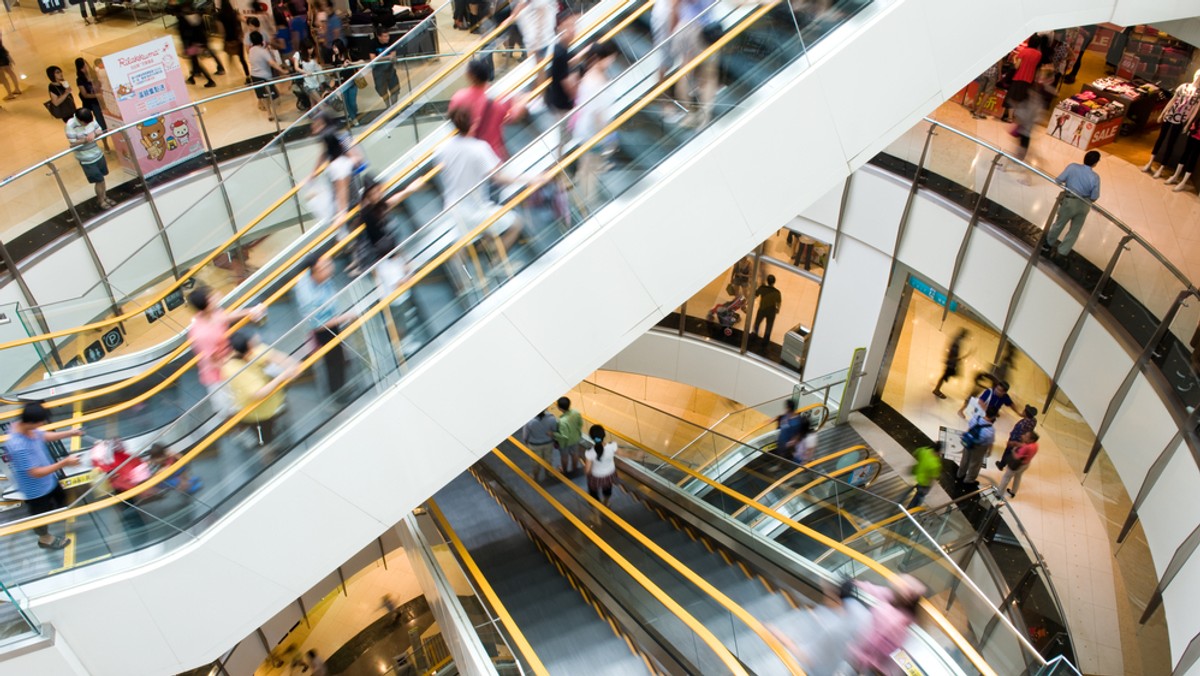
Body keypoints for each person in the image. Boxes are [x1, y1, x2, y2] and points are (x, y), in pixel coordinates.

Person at [432, 106, 528, 252]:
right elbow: (498, 177)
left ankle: (485, 256)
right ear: (474, 123)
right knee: (516, 223)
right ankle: (497, 260)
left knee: (466, 245)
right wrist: (528, 179)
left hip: (453, 208)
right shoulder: (478, 148)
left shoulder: (443, 148)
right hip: (475, 209)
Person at [7, 402, 84, 550]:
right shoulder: (18, 446)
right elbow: (34, 472)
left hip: (49, 480)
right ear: (31, 422)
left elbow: (42, 436)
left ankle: (63, 520)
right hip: (36, 490)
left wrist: (70, 433)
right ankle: (45, 539)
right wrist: (64, 463)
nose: (42, 424)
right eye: (40, 422)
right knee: (40, 515)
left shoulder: (24, 427)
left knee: (61, 498)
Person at [188, 285, 266, 414]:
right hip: (219, 376)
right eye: (211, 297)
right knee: (230, 409)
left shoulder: (211, 313)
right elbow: (213, 361)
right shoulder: (202, 334)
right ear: (206, 304)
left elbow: (225, 317)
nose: (216, 296)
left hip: (230, 360)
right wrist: (235, 369)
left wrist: (250, 311)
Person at [222, 330, 299, 447]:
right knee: (266, 439)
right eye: (253, 345)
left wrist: (292, 366)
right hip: (257, 412)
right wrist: (282, 376)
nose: (256, 347)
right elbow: (258, 394)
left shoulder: (252, 349)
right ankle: (269, 453)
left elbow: (277, 357)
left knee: (280, 427)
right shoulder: (232, 369)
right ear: (247, 350)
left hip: (275, 401)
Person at [295, 253, 355, 396]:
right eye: (325, 267)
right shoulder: (308, 295)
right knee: (333, 361)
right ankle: (338, 393)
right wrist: (343, 318)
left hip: (332, 319)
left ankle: (341, 386)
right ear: (315, 271)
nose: (331, 268)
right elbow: (317, 325)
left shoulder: (323, 279)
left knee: (338, 355)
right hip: (323, 329)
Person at [571, 40, 619, 206]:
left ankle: (584, 198)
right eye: (610, 57)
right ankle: (589, 199)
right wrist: (606, 135)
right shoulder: (595, 81)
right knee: (591, 166)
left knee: (587, 165)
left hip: (586, 128)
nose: (612, 61)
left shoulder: (590, 74)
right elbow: (597, 113)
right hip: (593, 130)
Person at [448, 58, 525, 161]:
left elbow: (453, 122)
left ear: (470, 76)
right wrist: (521, 100)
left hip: (470, 155)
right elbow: (515, 116)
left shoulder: (458, 98)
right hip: (493, 155)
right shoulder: (500, 97)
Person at [848, 577, 924, 674]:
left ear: (907, 598)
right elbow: (877, 591)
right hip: (868, 662)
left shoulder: (895, 624)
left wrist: (858, 660)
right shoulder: (894, 599)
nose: (896, 585)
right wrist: (856, 583)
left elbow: (873, 649)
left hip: (872, 668)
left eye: (902, 586)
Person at [1043, 150, 1101, 259]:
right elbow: (1094, 197)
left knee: (1059, 223)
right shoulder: (1095, 177)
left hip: (1069, 201)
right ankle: (1063, 251)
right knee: (1075, 230)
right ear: (1095, 163)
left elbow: (1058, 180)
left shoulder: (1072, 167)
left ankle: (1048, 243)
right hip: (1084, 204)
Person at [543, 12, 578, 155]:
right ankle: (560, 168)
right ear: (561, 27)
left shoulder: (561, 48)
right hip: (563, 105)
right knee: (564, 140)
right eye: (570, 25)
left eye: (574, 25)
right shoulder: (560, 52)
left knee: (565, 138)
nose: (574, 29)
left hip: (559, 101)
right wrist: (579, 99)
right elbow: (566, 83)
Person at [65, 109, 115, 209]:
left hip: (98, 154)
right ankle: (101, 201)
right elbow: (73, 143)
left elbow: (99, 131)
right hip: (86, 159)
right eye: (85, 123)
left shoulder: (90, 120)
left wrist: (95, 134)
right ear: (79, 120)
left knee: (101, 178)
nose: (87, 124)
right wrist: (86, 139)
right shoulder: (70, 125)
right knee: (99, 180)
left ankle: (104, 197)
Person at [178, 4, 222, 88]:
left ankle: (209, 80)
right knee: (194, 61)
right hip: (200, 42)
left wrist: (186, 46)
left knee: (195, 62)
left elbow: (185, 34)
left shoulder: (183, 20)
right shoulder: (197, 16)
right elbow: (202, 30)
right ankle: (192, 78)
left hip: (192, 45)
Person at [74, 58, 111, 152]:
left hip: (104, 100)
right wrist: (96, 95)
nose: (86, 68)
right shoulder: (80, 80)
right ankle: (105, 143)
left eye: (86, 65)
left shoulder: (95, 75)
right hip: (93, 103)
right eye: (83, 67)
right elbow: (85, 94)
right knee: (101, 122)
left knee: (109, 119)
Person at [1003, 35, 1042, 123]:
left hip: (1019, 77)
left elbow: (1017, 66)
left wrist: (1014, 58)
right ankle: (1016, 117)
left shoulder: (1024, 51)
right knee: (1021, 99)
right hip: (1029, 79)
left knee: (1013, 97)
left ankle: (1010, 118)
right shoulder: (1039, 54)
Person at [248, 31, 286, 121]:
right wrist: (283, 71)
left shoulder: (251, 50)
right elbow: (272, 63)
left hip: (254, 76)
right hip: (265, 77)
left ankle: (269, 114)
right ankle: (275, 115)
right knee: (275, 98)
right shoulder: (263, 51)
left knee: (264, 96)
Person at [955, 411, 995, 486]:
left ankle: (960, 474)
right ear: (993, 417)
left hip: (969, 441)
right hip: (979, 447)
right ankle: (969, 480)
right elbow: (990, 442)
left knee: (965, 459)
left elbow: (969, 427)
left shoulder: (976, 418)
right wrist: (989, 451)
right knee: (975, 464)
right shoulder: (990, 430)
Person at [997, 431, 1038, 498]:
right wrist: (1017, 444)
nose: (1023, 435)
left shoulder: (1026, 448)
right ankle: (1013, 492)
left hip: (1017, 465)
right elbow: (1025, 445)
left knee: (1006, 477)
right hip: (1026, 464)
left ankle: (999, 493)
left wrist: (1013, 450)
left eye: (1026, 436)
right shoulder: (1035, 445)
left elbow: (1017, 457)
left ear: (1031, 440)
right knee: (1018, 477)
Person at [584, 424, 618, 505]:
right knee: (607, 489)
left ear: (591, 437)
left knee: (593, 494)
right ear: (604, 435)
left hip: (596, 476)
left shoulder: (590, 452)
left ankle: (596, 515)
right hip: (609, 475)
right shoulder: (613, 446)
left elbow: (587, 470)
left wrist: (587, 472)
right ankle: (606, 503)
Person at [218, 0, 250, 84]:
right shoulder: (234, 14)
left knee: (229, 56)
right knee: (242, 59)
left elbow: (221, 30)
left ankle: (232, 72)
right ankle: (248, 76)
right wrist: (242, 32)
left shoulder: (220, 16)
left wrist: (223, 38)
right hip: (237, 40)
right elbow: (245, 21)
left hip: (228, 40)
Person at [997, 404, 1037, 471]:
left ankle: (1002, 464)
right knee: (1015, 452)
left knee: (1008, 452)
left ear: (1025, 413)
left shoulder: (1022, 424)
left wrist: (1011, 440)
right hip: (1024, 441)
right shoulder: (1034, 420)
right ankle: (1006, 463)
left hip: (1016, 440)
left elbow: (1016, 433)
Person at [521, 409, 557, 481]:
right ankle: (548, 473)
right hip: (548, 443)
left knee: (535, 462)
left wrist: (526, 442)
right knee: (548, 459)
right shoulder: (552, 418)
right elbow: (555, 430)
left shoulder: (529, 421)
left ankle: (535, 477)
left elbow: (525, 435)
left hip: (535, 445)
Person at [932, 329, 969, 399]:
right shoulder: (957, 343)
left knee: (945, 376)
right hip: (951, 364)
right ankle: (936, 390)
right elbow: (953, 356)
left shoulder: (957, 340)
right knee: (944, 376)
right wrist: (962, 357)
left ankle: (937, 388)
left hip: (951, 363)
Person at [329, 39, 359, 125]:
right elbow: (335, 71)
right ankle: (353, 118)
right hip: (342, 83)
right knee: (346, 102)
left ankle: (354, 115)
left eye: (336, 47)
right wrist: (342, 66)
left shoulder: (348, 54)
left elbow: (361, 61)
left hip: (352, 81)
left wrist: (351, 63)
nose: (334, 49)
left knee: (352, 102)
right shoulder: (334, 57)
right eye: (333, 48)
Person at [553, 396, 584, 475]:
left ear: (560, 408)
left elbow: (564, 436)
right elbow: (580, 424)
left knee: (564, 456)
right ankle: (575, 468)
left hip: (565, 443)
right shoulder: (576, 412)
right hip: (576, 438)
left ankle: (564, 471)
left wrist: (553, 434)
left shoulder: (562, 421)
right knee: (575, 454)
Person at [371, 26, 400, 108]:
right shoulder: (373, 43)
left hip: (390, 69)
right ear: (379, 37)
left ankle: (394, 108)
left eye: (388, 36)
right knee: (382, 90)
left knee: (395, 89)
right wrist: (387, 57)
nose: (387, 38)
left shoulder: (391, 41)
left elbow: (393, 55)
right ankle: (388, 107)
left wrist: (380, 58)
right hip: (378, 71)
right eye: (385, 36)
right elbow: (373, 59)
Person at [908, 442, 942, 509]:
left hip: (918, 476)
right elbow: (932, 477)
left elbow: (915, 453)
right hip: (924, 484)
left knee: (918, 492)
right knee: (919, 497)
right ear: (939, 451)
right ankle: (911, 509)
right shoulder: (935, 464)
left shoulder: (925, 450)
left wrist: (919, 463)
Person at [752, 274, 782, 344]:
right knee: (769, 325)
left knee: (757, 322)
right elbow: (779, 302)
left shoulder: (762, 288)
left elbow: (755, 295)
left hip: (762, 309)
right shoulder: (777, 292)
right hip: (771, 311)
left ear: (767, 281)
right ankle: (765, 341)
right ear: (774, 282)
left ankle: (754, 335)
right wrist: (778, 309)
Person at [0, 31, 22, 100]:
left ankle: (10, 94)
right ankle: (17, 89)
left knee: (2, 77)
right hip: (3, 53)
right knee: (10, 72)